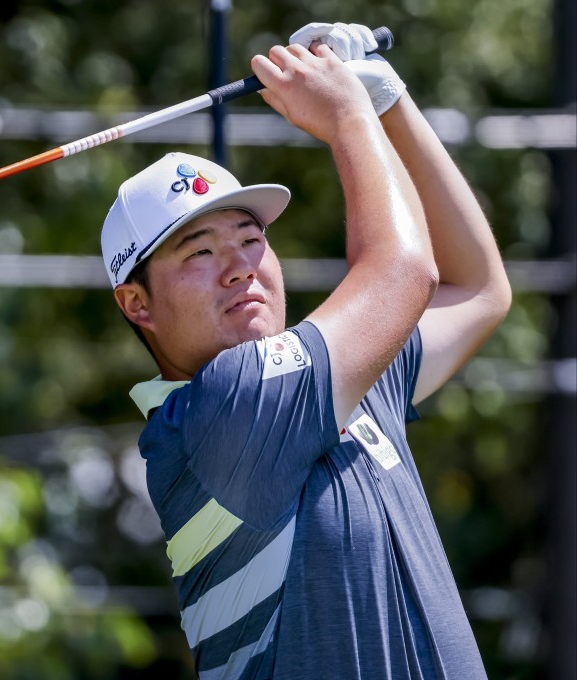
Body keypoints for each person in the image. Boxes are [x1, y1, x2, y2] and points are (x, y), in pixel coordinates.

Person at [99, 22, 512, 679]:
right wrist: (351, 115)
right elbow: (406, 273)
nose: (238, 267)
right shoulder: (220, 410)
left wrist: (387, 99)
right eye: (199, 253)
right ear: (136, 304)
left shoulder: (344, 379)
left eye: (249, 238)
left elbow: (478, 288)